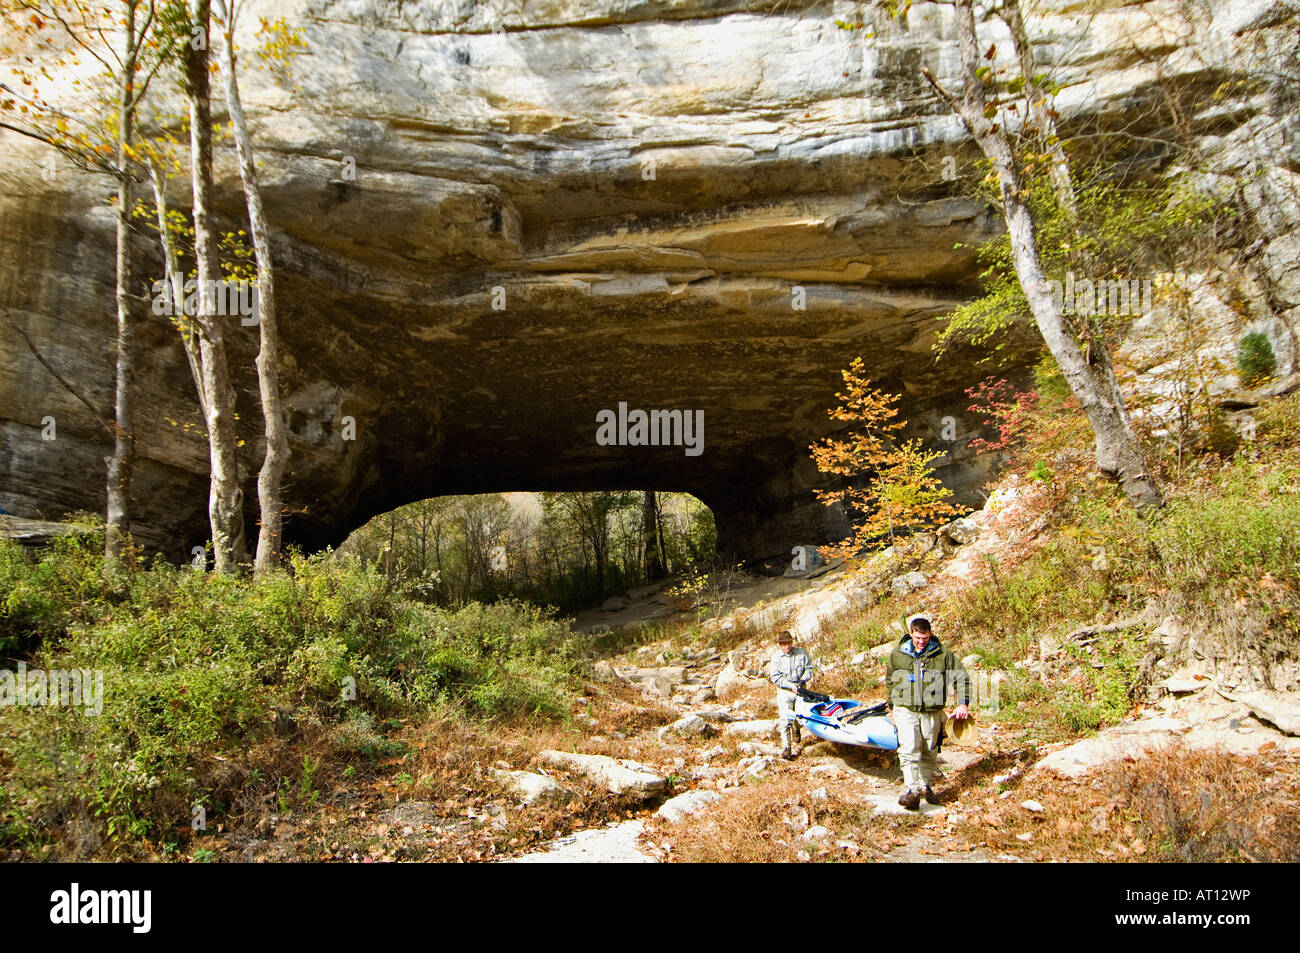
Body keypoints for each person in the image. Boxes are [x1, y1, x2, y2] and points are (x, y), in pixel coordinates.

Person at [885, 613, 971, 810]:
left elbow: (961, 677)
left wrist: (963, 703)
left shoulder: (943, 655)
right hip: (905, 708)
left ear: (930, 634)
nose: (921, 642)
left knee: (929, 749)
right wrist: (891, 708)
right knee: (909, 747)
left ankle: (926, 787)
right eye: (917, 638)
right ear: (911, 634)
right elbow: (890, 680)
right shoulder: (898, 654)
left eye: (925, 638)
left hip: (932, 710)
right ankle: (911, 791)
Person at [769, 630, 814, 760]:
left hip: (801, 690)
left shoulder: (801, 653)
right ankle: (786, 749)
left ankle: (797, 728)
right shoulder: (776, 658)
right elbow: (775, 677)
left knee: (800, 718)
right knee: (785, 720)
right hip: (785, 691)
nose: (787, 646)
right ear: (780, 645)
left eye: (789, 643)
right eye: (784, 644)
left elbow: (809, 669)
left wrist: (801, 681)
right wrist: (790, 685)